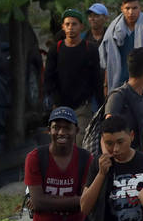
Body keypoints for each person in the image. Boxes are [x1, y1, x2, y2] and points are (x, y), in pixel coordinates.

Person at [44, 9, 103, 140]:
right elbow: (49, 78)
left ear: (81, 26)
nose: (71, 27)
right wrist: (54, 101)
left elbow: (97, 79)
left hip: (83, 106)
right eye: (68, 24)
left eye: (74, 24)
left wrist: (101, 105)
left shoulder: (90, 49)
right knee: (61, 142)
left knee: (81, 141)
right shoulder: (56, 49)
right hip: (60, 106)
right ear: (63, 27)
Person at [99, 0, 143, 93]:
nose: (131, 12)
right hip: (119, 82)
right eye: (127, 8)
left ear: (140, 8)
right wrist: (106, 84)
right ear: (122, 8)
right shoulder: (113, 31)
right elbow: (109, 60)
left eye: (135, 8)